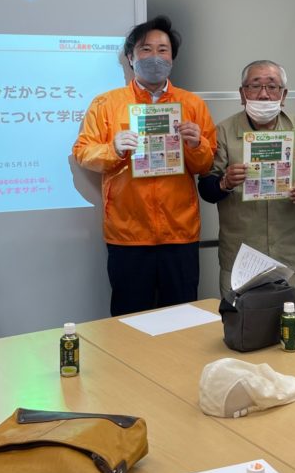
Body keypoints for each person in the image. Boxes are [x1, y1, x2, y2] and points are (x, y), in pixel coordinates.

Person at [73, 16, 216, 315]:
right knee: (129, 319)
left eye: (163, 50)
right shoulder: (106, 104)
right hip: (128, 234)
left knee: (183, 318)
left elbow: (205, 164)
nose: (155, 57)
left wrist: (196, 145)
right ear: (130, 57)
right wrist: (113, 149)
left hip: (180, 232)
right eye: (146, 49)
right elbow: (83, 152)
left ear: (173, 58)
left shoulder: (192, 104)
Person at [198, 60, 295, 330]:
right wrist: (224, 183)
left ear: (284, 94)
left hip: (288, 250)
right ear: (242, 93)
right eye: (255, 86)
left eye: (272, 87)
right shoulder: (223, 132)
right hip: (241, 254)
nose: (264, 94)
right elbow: (206, 187)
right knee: (243, 330)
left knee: (293, 330)